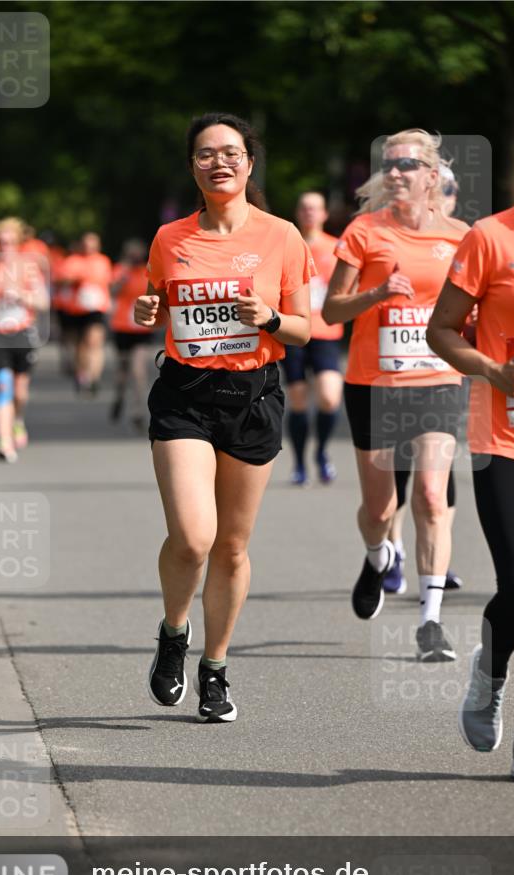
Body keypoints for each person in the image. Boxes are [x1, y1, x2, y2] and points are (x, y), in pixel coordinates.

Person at [135, 111, 312, 722]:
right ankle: (173, 631)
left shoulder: (282, 236)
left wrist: (265, 316)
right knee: (193, 537)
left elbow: (304, 330)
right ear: (193, 168)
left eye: (230, 152)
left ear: (249, 162)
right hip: (185, 394)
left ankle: (215, 667)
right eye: (206, 154)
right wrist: (146, 308)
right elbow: (159, 303)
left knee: (232, 548)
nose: (220, 162)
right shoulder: (170, 237)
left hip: (253, 398)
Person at [427, 109, 514, 783]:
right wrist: (491, 369)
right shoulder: (489, 238)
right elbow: (442, 330)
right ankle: (490, 668)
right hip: (508, 438)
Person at [322, 129, 469, 661]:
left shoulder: (461, 236)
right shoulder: (365, 232)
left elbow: (476, 311)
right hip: (375, 384)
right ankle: (377, 554)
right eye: (389, 164)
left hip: (437, 380)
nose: (395, 172)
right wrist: (378, 294)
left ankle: (430, 622)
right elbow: (332, 312)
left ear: (433, 175)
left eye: (407, 163)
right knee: (381, 507)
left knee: (432, 496)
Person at [384, 163, 465, 595]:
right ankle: (393, 545)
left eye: (452, 188)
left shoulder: (461, 237)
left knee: (436, 481)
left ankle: (438, 559)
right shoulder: (385, 233)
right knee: (397, 474)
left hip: (441, 372)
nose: (445, 195)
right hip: (393, 375)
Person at [281, 192, 344, 485]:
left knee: (330, 397)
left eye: (314, 208)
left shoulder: (336, 248)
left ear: (323, 214)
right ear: (298, 212)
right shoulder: (285, 245)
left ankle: (320, 451)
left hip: (325, 332)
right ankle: (299, 463)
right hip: (293, 332)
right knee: (297, 400)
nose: (309, 213)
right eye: (304, 208)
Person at [0, 218, 48, 461]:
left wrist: (21, 296)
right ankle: (4, 440)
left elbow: (43, 302)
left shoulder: (29, 267)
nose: (4, 247)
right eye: (0, 242)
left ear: (18, 243)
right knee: (2, 384)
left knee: (20, 393)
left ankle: (18, 420)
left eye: (9, 242)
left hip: (22, 331)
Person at [109, 239, 158, 429]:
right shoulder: (121, 270)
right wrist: (123, 277)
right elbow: (111, 292)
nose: (135, 258)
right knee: (122, 370)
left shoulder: (149, 271)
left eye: (138, 254)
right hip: (122, 326)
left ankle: (138, 411)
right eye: (132, 255)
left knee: (138, 369)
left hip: (142, 328)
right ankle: (119, 395)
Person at [60, 232, 112, 394]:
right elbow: (60, 281)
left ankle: (94, 378)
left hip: (96, 308)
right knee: (79, 345)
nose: (89, 248)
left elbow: (107, 281)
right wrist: (73, 279)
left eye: (93, 244)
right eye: (86, 244)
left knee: (94, 342)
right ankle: (81, 375)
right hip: (76, 308)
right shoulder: (72, 261)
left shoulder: (103, 261)